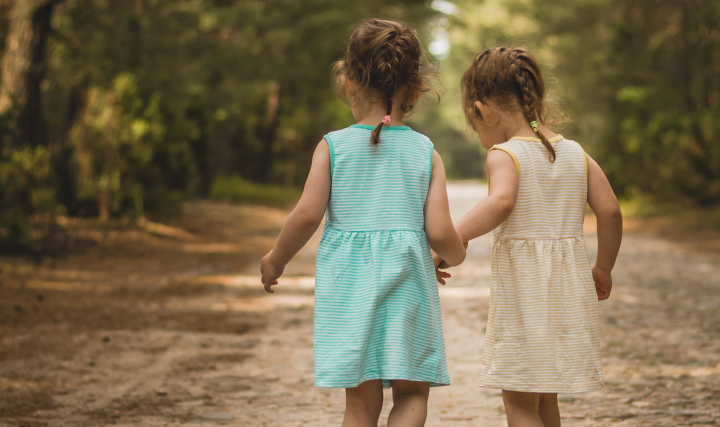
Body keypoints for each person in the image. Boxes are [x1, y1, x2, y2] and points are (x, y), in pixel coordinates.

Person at [258, 18, 466, 427]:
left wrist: (275, 259)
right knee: (410, 394)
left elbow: (306, 216)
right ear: (417, 90)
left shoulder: (332, 147)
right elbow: (441, 232)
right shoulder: (426, 152)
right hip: (409, 286)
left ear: (348, 82)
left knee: (359, 404)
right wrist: (452, 256)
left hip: (348, 289)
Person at [438, 46, 623, 427]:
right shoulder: (575, 153)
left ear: (482, 110)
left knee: (520, 401)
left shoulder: (506, 154)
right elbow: (610, 211)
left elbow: (501, 202)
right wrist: (603, 268)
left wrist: (456, 237)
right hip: (568, 291)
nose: (481, 137)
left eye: (476, 127)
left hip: (526, 294)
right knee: (544, 396)